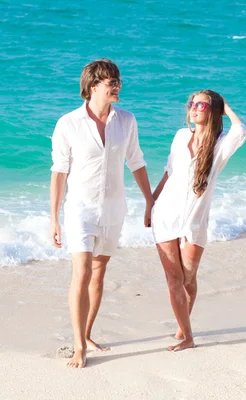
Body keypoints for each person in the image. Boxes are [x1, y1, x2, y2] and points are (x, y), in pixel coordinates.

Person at [50, 59, 153, 368]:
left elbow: (136, 162)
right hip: (80, 209)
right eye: (111, 82)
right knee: (81, 273)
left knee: (99, 274)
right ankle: (79, 345)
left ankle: (87, 333)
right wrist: (53, 217)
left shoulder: (127, 120)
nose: (117, 86)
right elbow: (59, 172)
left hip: (113, 209)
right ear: (93, 86)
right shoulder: (68, 123)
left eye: (118, 80)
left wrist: (150, 201)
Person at [151, 90, 246, 351]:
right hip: (165, 215)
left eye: (201, 105)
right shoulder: (181, 136)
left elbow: (241, 130)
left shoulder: (220, 144)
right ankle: (188, 335)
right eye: (191, 103)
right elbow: (168, 172)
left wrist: (224, 106)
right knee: (173, 279)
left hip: (194, 223)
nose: (193, 108)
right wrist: (151, 203)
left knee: (188, 280)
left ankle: (183, 324)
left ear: (212, 110)